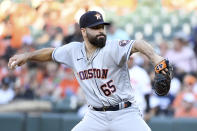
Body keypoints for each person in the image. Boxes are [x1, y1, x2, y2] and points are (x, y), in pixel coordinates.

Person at [8, 11, 169, 131]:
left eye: (102, 27)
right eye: (95, 28)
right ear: (83, 31)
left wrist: (156, 58)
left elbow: (137, 44)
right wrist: (28, 56)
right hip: (95, 116)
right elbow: (50, 53)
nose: (101, 31)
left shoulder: (112, 47)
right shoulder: (73, 50)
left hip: (125, 112)